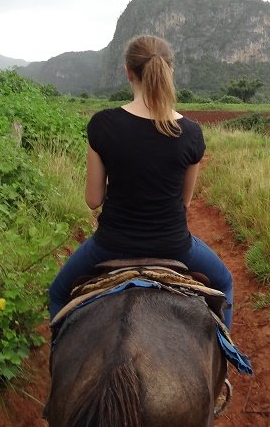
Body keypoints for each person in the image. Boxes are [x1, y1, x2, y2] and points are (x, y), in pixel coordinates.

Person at [47, 34, 234, 329]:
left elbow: (93, 200)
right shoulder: (191, 132)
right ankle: (226, 366)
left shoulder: (102, 124)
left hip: (111, 245)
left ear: (128, 72)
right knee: (225, 281)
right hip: (174, 246)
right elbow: (183, 203)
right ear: (169, 71)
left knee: (57, 293)